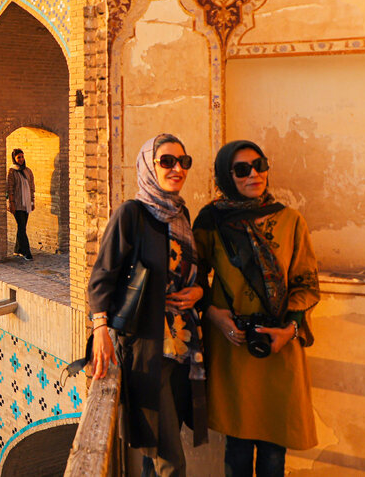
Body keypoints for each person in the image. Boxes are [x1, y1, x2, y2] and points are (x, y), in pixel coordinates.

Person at [193, 141, 319, 477]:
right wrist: (214, 315)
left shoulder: (290, 220)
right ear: (226, 174)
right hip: (233, 343)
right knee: (237, 447)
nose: (255, 174)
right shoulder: (211, 221)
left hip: (279, 345)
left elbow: (306, 282)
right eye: (242, 169)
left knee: (274, 450)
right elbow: (193, 276)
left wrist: (289, 330)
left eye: (259, 165)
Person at [89, 134, 207, 476]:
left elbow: (195, 275)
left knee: (153, 455)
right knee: (171, 461)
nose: (177, 169)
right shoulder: (132, 214)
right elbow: (102, 275)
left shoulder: (182, 215)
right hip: (146, 349)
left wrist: (199, 291)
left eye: (183, 162)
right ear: (147, 165)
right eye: (166, 161)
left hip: (182, 348)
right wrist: (100, 330)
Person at [6, 149, 35, 261]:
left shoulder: (28, 171)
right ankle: (27, 252)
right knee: (22, 227)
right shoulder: (12, 172)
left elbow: (32, 187)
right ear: (14, 158)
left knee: (22, 227)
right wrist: (11, 203)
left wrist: (32, 202)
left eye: (22, 157)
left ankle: (18, 249)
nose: (21, 159)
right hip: (17, 204)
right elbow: (10, 189)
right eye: (19, 157)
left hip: (26, 203)